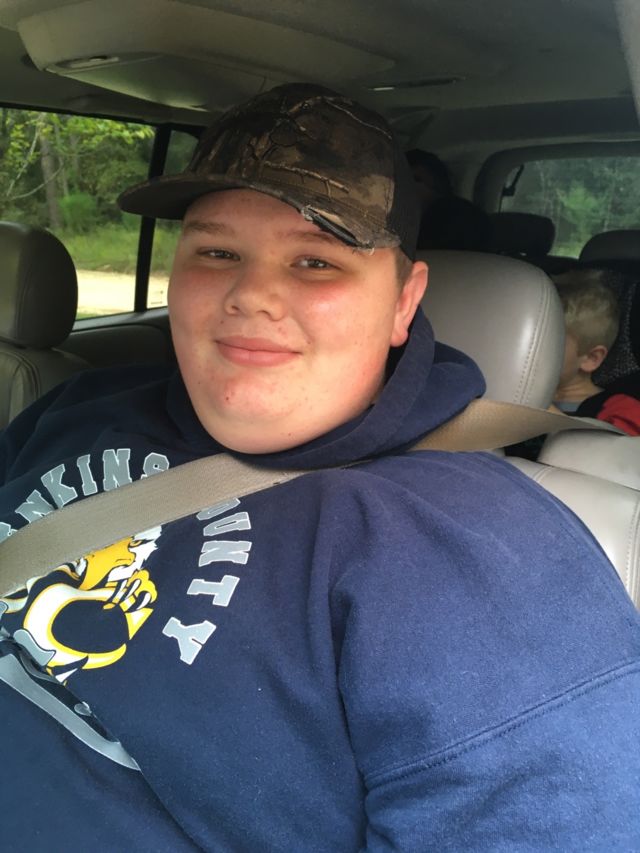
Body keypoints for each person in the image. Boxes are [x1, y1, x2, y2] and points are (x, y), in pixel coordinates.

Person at [1, 83, 639, 851]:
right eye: (217, 252)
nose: (251, 294)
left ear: (404, 302)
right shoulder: (84, 404)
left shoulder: (486, 555)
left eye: (316, 260)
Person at [553, 268, 640, 435]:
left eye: (548, 343)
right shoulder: (510, 391)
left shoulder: (619, 411)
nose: (530, 350)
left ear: (591, 358)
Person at [405, 147, 492, 252]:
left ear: (439, 188)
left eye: (416, 179)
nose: (404, 187)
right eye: (401, 179)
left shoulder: (459, 219)